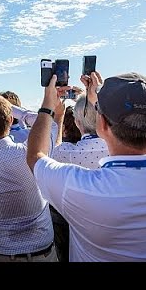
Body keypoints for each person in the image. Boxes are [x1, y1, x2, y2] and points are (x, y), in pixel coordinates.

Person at [27, 71, 146, 262]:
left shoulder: (80, 187)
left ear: (101, 124)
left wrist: (47, 107)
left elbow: (35, 156)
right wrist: (100, 103)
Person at [0, 93, 59, 262]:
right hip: (41, 250)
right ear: (10, 120)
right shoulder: (29, 153)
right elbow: (49, 125)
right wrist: (16, 110)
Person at [48, 92, 110, 262]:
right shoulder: (120, 148)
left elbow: (54, 149)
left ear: (76, 122)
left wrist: (58, 117)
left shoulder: (67, 154)